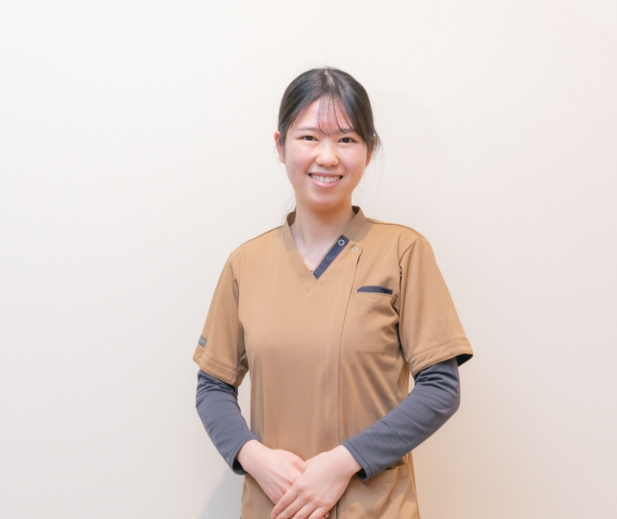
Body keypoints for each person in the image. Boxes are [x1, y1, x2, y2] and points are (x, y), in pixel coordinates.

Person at [193, 67, 473, 519]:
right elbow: (213, 384)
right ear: (280, 145)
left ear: (369, 149)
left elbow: (440, 388)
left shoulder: (404, 252)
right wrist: (254, 457)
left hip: (377, 507)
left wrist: (344, 463)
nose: (327, 157)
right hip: (276, 505)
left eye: (346, 139)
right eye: (309, 138)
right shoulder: (246, 263)